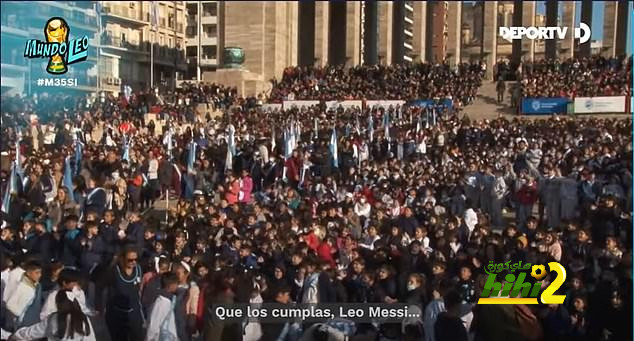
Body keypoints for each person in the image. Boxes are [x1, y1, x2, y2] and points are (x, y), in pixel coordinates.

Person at [8, 289, 95, 341]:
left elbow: (33, 332)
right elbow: (91, 339)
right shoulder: (83, 318)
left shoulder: (54, 318)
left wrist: (15, 335)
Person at [97, 246, 144, 341]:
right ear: (122, 259)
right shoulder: (114, 271)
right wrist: (99, 306)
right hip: (116, 313)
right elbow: (99, 286)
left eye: (136, 259)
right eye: (130, 260)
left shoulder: (138, 269)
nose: (133, 262)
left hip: (134, 312)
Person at [145, 273, 179, 341]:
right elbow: (153, 325)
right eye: (176, 284)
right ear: (171, 285)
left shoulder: (169, 300)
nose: (177, 286)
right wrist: (149, 338)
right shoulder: (162, 302)